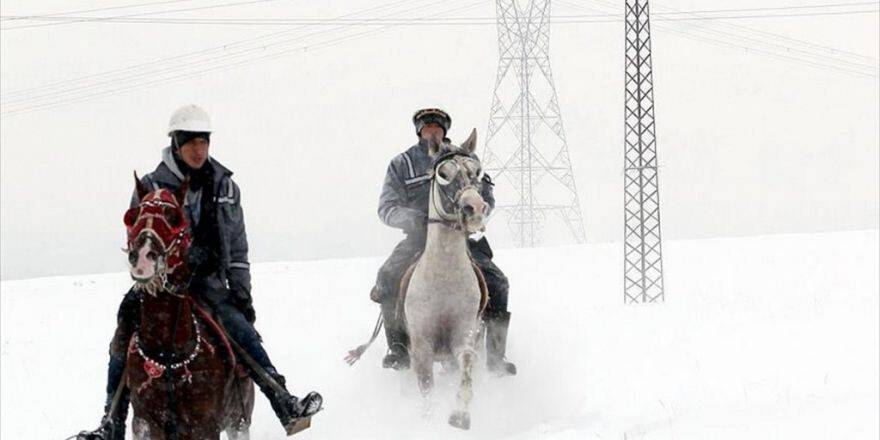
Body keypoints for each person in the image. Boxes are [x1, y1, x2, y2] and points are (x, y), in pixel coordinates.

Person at [78, 104, 321, 440]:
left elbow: (237, 247)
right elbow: (138, 236)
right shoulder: (150, 184)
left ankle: (283, 401)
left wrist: (242, 294)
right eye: (189, 142)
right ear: (176, 144)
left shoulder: (225, 187)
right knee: (124, 331)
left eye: (202, 142)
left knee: (239, 327)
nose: (197, 149)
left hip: (207, 282)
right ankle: (111, 422)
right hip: (160, 285)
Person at [373, 108, 517, 376]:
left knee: (498, 282)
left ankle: (496, 356)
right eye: (427, 126)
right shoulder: (401, 164)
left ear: (444, 130)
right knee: (387, 276)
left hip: (460, 239)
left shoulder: (466, 159)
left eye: (437, 126)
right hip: (418, 240)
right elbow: (387, 207)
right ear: (419, 131)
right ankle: (398, 350)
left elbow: (485, 197)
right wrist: (412, 218)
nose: (432, 130)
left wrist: (476, 214)